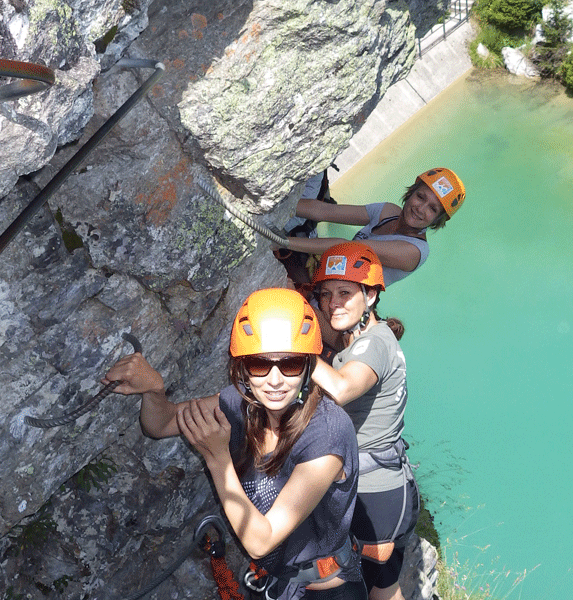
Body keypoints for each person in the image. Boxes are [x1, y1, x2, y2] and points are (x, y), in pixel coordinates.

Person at [103, 288, 366, 600]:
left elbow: (261, 541)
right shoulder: (240, 404)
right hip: (275, 583)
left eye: (291, 364)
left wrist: (218, 458)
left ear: (309, 367)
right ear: (243, 368)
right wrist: (153, 389)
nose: (275, 379)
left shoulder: (328, 433)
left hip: (326, 591)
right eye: (259, 364)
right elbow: (160, 424)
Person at [308, 243, 419, 600]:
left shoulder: (372, 345)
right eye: (326, 294)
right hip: (380, 489)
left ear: (369, 295)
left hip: (374, 495)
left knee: (375, 590)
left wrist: (292, 346)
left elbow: (340, 388)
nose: (333, 302)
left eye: (345, 292)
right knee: (383, 588)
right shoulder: (364, 338)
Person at [282, 168, 466, 287]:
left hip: (340, 303)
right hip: (328, 276)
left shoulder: (413, 251)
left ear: (437, 221)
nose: (420, 208)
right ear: (411, 193)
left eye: (433, 209)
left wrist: (282, 242)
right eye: (420, 197)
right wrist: (276, 206)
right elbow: (324, 211)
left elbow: (345, 248)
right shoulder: (388, 211)